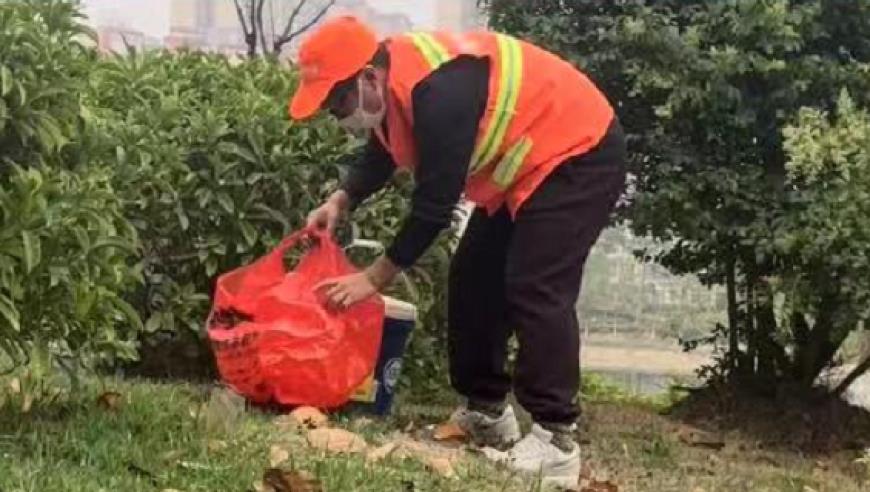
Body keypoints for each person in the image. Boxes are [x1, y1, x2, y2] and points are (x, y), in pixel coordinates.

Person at [288, 15, 626, 488]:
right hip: (525, 169)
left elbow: (434, 205)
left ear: (368, 76)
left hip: (577, 151)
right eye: (329, 107)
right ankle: (487, 411)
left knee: (535, 285)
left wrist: (373, 277)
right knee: (472, 280)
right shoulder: (396, 87)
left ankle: (556, 440)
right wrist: (340, 200)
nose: (338, 115)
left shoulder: (439, 91)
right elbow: (382, 152)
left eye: (337, 101)